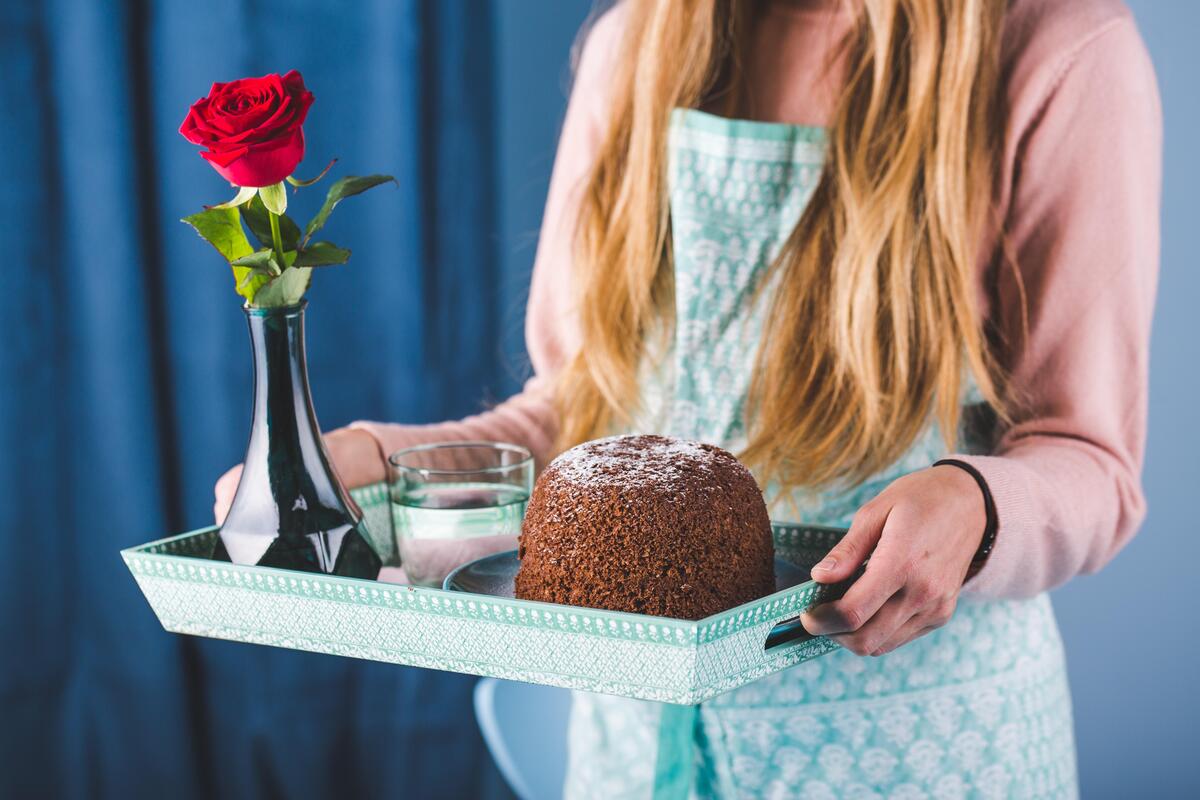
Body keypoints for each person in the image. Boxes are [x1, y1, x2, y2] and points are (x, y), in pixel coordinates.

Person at [216, 0, 1160, 796]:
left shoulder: (1059, 49)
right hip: (641, 756)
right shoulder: (636, 44)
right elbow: (582, 415)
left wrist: (975, 504)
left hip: (924, 752)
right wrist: (373, 463)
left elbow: (1090, 457)